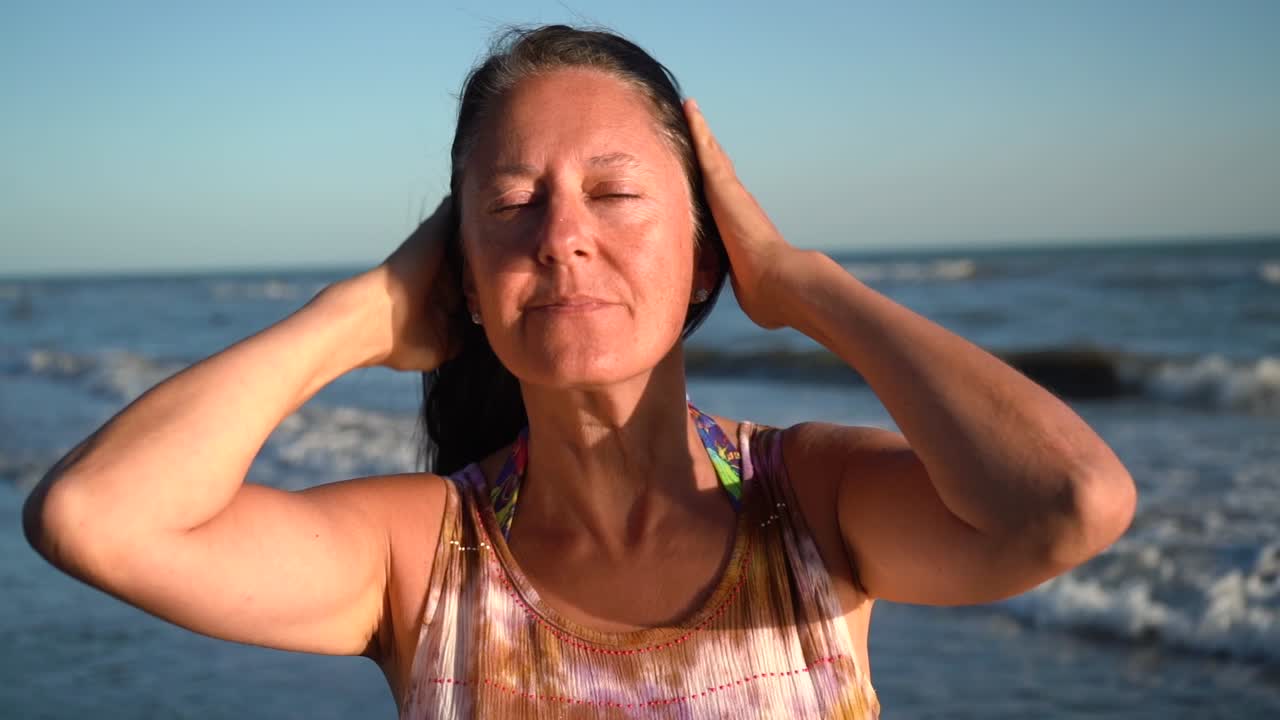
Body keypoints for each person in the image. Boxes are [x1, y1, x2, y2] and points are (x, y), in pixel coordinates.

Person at [23, 25, 1136, 719]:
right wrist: (357, 313)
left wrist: (799, 284)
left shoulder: (812, 509)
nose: (559, 236)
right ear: (458, 273)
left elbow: (1066, 502)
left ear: (704, 252)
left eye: (612, 193)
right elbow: (95, 519)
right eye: (510, 204)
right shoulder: (420, 556)